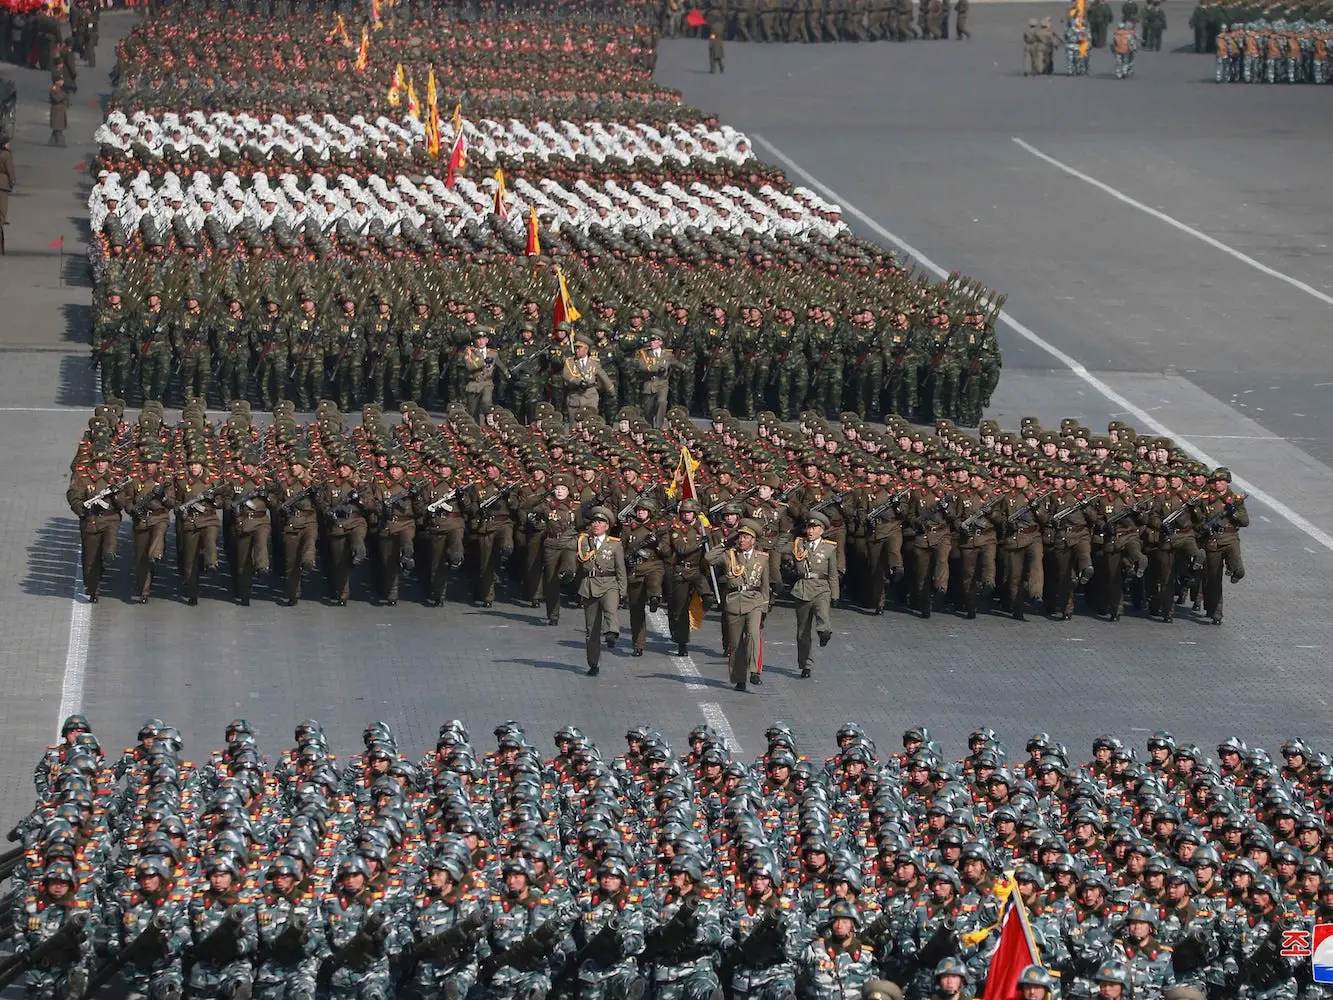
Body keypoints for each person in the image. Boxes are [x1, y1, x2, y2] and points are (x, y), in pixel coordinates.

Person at [706, 519, 770, 691]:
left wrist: (764, 606)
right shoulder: (730, 555)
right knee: (735, 644)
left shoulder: (762, 558)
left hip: (754, 600)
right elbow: (709, 558)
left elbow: (765, 585)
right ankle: (739, 678)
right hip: (734, 600)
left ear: (753, 540)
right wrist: (726, 542)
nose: (742, 540)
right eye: (740, 536)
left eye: (746, 537)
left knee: (753, 634)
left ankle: (755, 671)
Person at [575, 506, 627, 677]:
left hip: (609, 583)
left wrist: (622, 591)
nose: (596, 524)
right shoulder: (584, 541)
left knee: (611, 609)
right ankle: (593, 663)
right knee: (591, 631)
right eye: (594, 521)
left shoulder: (615, 545)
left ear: (607, 526)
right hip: (590, 585)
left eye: (601, 522)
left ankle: (612, 633)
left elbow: (621, 569)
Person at [67, 448, 124, 602]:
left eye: (103, 462)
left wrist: (116, 494)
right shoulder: (82, 478)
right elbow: (73, 496)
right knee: (90, 558)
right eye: (98, 462)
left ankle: (109, 554)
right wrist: (82, 508)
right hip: (90, 521)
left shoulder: (115, 478)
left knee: (109, 543)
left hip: (110, 519)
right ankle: (93, 590)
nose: (100, 465)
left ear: (108, 463)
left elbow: (122, 503)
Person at [790, 511, 838, 679]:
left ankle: (824, 632)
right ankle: (806, 665)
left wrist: (835, 594)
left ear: (821, 530)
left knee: (822, 616)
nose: (810, 531)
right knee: (802, 632)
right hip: (802, 589)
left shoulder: (829, 548)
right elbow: (778, 545)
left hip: (821, 587)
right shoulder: (798, 544)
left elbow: (833, 574)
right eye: (808, 527)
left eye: (814, 528)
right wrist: (792, 533)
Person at [0, 139, 14, 231]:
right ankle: (2, 218)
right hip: (3, 180)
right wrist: (12, 181)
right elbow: (10, 169)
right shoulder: (6, 155)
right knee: (3, 202)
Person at [48, 78, 67, 147]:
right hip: (56, 112)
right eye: (60, 81)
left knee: (56, 129)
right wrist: (64, 95)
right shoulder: (53, 90)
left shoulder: (60, 89)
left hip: (60, 111)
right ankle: (61, 143)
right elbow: (57, 99)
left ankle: (52, 142)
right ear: (56, 82)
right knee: (58, 129)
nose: (62, 82)